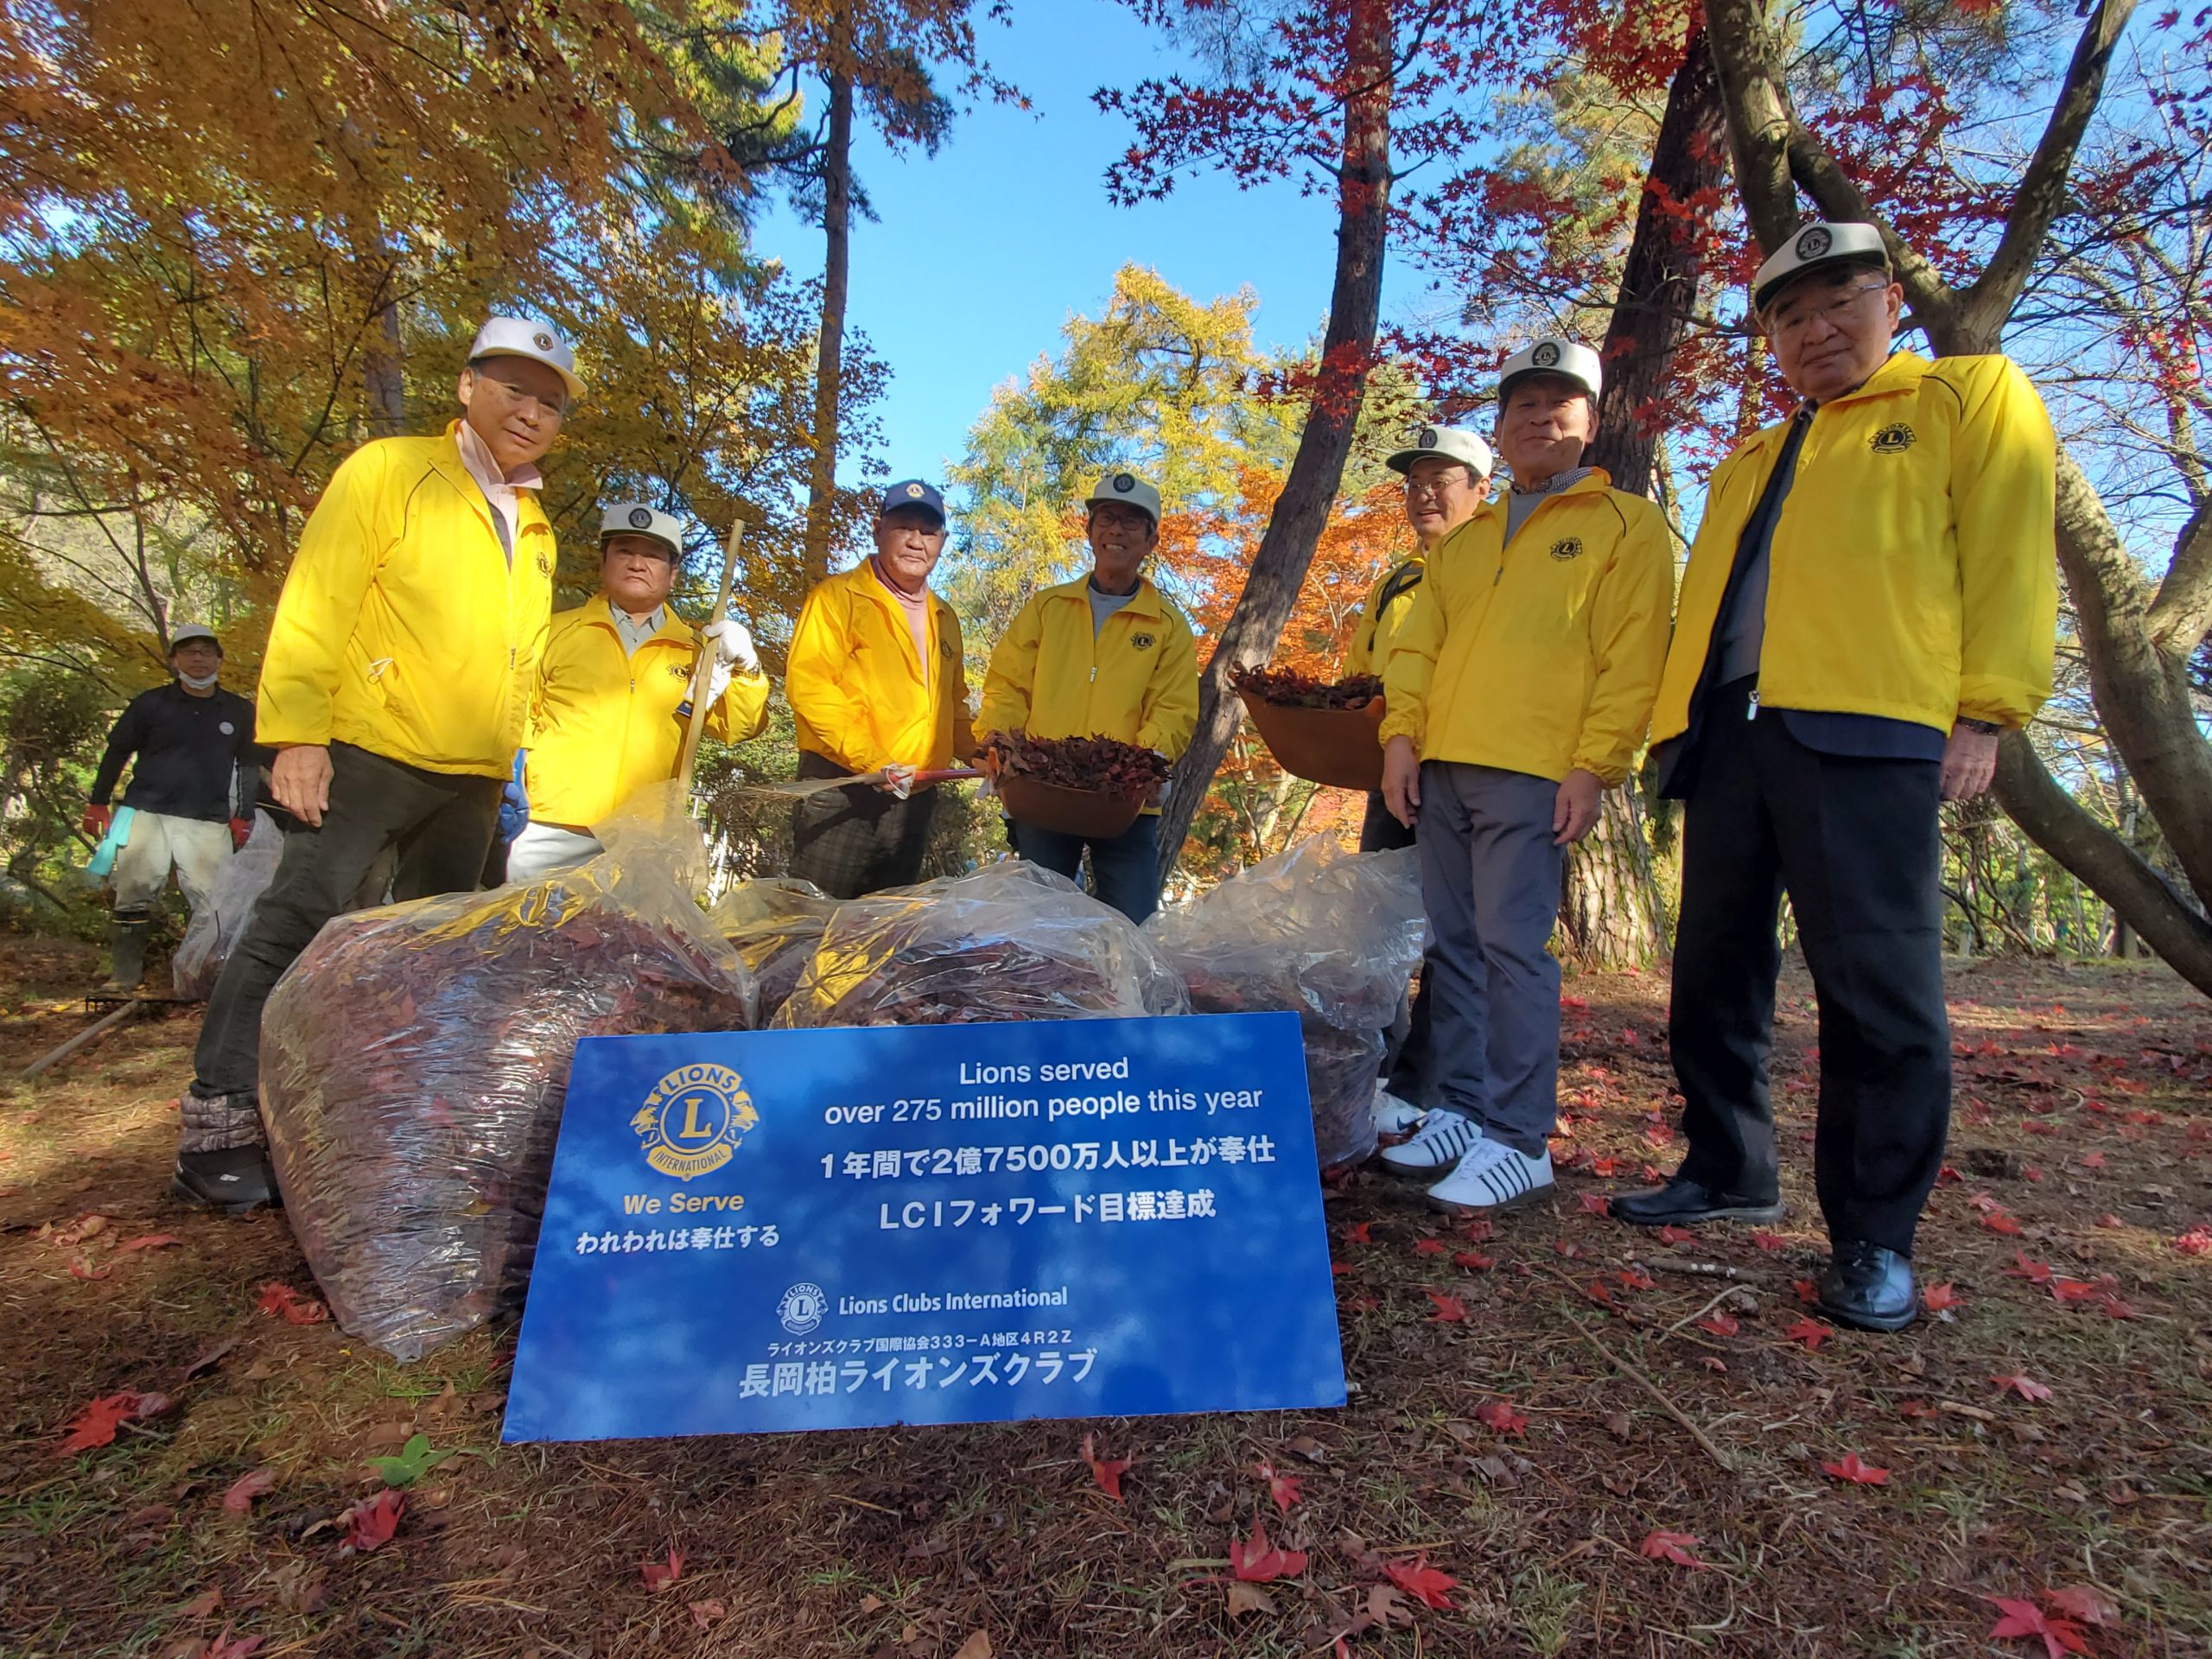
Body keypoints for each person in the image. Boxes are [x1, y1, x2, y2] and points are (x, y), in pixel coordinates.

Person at [1609, 222, 2058, 1332]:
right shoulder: (1753, 456)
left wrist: (1987, 709)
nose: (1815, 330)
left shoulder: (1963, 397)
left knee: (1875, 981)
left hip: (1869, 721)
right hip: (1730, 729)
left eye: (1839, 302)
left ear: (1890, 301)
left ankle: (1872, 1234)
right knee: (1713, 965)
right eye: (1788, 316)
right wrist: (1670, 730)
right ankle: (1727, 1166)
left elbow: (2009, 552)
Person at [174, 316, 580, 1212]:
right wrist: (297, 735)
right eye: (514, 388)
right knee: (297, 919)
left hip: (471, 773)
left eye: (549, 403)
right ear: (468, 386)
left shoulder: (537, 525)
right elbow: (318, 599)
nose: (530, 412)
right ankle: (219, 1119)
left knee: (434, 949)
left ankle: (395, 1113)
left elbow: (517, 658)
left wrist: (509, 760)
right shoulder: (390, 471)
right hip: (367, 750)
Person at [1376, 338, 1673, 1215]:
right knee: (1453, 947)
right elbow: (1417, 649)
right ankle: (1461, 1107)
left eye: (1559, 404)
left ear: (1592, 422)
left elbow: (1632, 655)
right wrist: (1401, 739)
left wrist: (1596, 764)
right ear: (1501, 427)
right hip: (1442, 766)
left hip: (1534, 768)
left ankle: (1518, 1138)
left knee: (1512, 949)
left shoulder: (1625, 523)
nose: (1540, 419)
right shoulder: (1465, 542)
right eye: (1523, 406)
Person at [1349, 426, 1495, 1134]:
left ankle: (1431, 1081)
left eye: (1441, 480)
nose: (1424, 494)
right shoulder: (1396, 581)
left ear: (1480, 490)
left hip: (1470, 767)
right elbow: (1361, 677)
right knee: (1374, 926)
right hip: (1394, 773)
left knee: (1455, 931)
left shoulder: (1501, 564)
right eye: (1414, 482)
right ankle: (1377, 1065)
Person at [977, 472, 1198, 923]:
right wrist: (1001, 744)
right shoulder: (1047, 608)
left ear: (1152, 540)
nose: (1117, 530)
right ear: (1089, 531)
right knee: (1037, 921)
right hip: (1043, 792)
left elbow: (1173, 708)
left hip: (1126, 804)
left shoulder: (1168, 626)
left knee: (1133, 923)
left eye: (1132, 522)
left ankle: (1121, 976)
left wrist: (1142, 765)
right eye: (1106, 518)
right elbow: (1008, 685)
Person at [511, 501, 769, 880]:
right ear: (603, 562)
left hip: (645, 835)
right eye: (624, 551)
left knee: (628, 923)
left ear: (672, 573)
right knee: (531, 919)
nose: (636, 564)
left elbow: (738, 727)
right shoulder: (554, 632)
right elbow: (517, 714)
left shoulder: (699, 651)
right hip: (552, 826)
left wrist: (748, 669)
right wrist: (511, 784)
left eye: (652, 555)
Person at [784, 480, 974, 899]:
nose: (916, 541)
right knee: (813, 921)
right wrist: (874, 760)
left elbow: (954, 707)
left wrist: (988, 755)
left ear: (942, 541)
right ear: (878, 530)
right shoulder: (837, 598)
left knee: (886, 927)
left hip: (915, 800)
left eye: (928, 531)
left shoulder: (945, 617)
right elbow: (810, 686)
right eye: (903, 527)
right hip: (844, 789)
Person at [82, 624, 261, 992]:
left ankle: (211, 978)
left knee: (215, 903)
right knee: (134, 892)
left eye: (206, 652)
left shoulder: (239, 710)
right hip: (147, 813)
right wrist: (98, 801)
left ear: (219, 660)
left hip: (208, 819)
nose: (198, 659)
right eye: (189, 652)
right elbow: (117, 752)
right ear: (175, 660)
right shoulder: (151, 704)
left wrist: (244, 814)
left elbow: (248, 764)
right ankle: (125, 976)